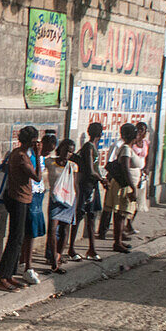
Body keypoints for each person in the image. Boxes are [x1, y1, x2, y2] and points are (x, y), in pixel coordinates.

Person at [0, 127, 41, 291]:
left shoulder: (19, 153)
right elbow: (37, 177)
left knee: (19, 238)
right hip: (18, 199)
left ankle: (9, 274)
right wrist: (38, 154)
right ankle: (2, 276)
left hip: (21, 198)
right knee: (15, 239)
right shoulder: (21, 156)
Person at [69, 122, 107, 261]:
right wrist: (102, 179)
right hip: (86, 186)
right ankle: (71, 249)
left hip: (92, 186)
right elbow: (91, 170)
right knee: (79, 215)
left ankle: (92, 249)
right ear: (100, 133)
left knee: (91, 217)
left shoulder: (92, 147)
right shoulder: (89, 148)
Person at [103, 123, 142, 253]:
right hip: (124, 186)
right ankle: (117, 242)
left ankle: (119, 240)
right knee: (120, 214)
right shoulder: (125, 149)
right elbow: (125, 169)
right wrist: (133, 187)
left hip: (126, 185)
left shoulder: (128, 148)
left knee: (122, 215)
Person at [21, 133, 52, 284]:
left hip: (38, 194)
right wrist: (38, 155)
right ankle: (27, 266)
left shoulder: (40, 157)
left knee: (31, 232)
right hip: (30, 195)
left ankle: (23, 263)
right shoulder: (27, 156)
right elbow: (37, 177)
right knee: (29, 232)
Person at [44, 138, 78, 274]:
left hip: (69, 200)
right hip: (55, 200)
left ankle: (58, 256)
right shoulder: (50, 162)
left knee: (64, 230)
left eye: (70, 152)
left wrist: (77, 204)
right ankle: (53, 260)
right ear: (60, 149)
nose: (67, 154)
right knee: (52, 230)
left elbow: (75, 185)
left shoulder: (73, 166)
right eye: (66, 150)